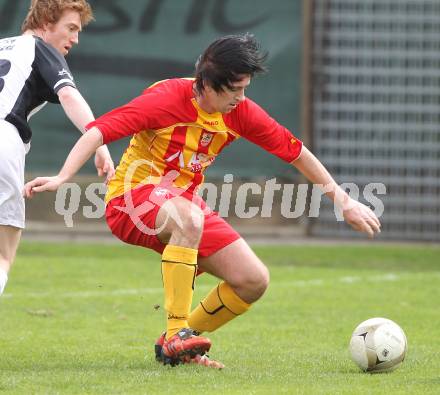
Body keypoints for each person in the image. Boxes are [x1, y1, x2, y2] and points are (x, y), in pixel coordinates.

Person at [24, 34, 381, 368]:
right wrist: (63, 177)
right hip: (130, 200)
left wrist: (343, 201)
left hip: (182, 204)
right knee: (188, 219)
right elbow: (98, 131)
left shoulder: (240, 113)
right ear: (207, 85)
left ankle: (177, 342)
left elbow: (296, 153)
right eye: (235, 90)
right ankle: (178, 331)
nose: (241, 98)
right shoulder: (165, 99)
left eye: (245, 89)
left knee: (253, 280)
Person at [0, 0, 115, 297]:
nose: (75, 39)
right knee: (2, 255)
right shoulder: (40, 48)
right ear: (47, 21)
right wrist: (98, 141)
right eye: (71, 28)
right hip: (3, 138)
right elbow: (68, 96)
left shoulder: (4, 45)